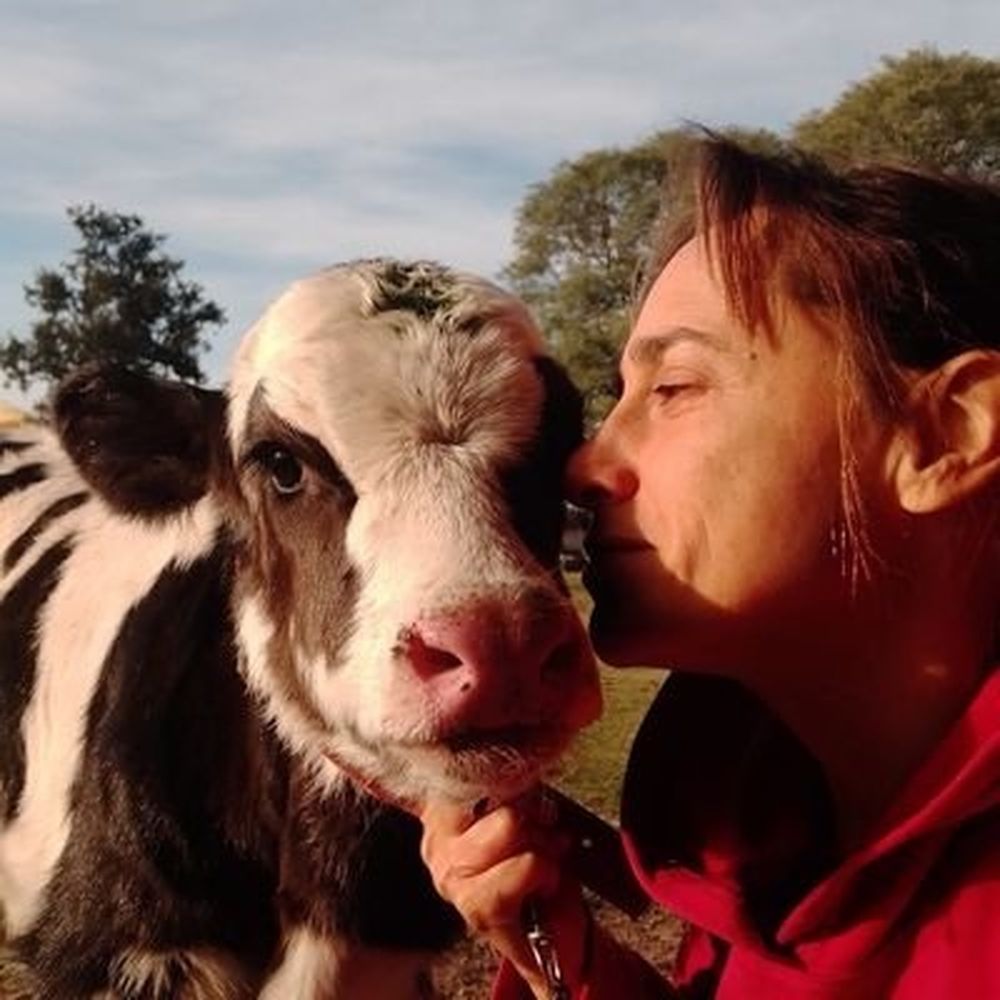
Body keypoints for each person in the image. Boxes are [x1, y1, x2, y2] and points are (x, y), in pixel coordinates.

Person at [419, 137, 1000, 999]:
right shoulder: (753, 819)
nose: (585, 466)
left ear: (943, 436)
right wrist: (567, 955)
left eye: (675, 388)